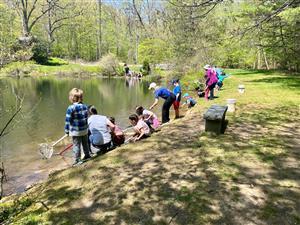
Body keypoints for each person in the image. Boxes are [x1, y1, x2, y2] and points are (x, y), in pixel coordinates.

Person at [65, 88, 91, 165]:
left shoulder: (70, 108)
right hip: (85, 130)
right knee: (85, 143)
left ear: (72, 98)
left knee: (76, 145)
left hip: (76, 131)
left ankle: (77, 160)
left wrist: (66, 131)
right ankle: (87, 155)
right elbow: (86, 118)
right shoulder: (85, 106)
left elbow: (67, 121)